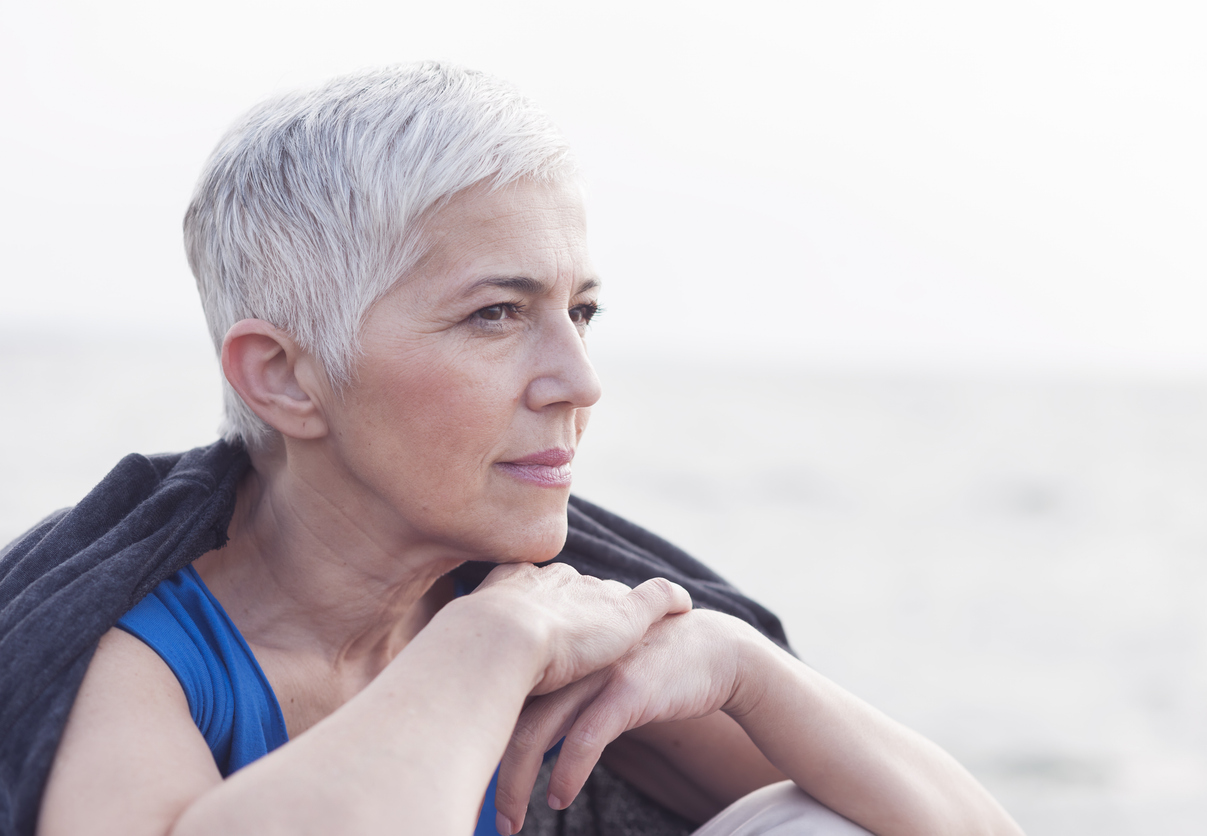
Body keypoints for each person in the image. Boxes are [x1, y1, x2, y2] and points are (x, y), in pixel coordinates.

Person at [0, 63, 1023, 836]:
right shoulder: (148, 662)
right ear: (284, 375)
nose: (578, 379)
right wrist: (482, 651)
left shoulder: (564, 621)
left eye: (581, 309)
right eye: (496, 314)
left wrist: (746, 668)